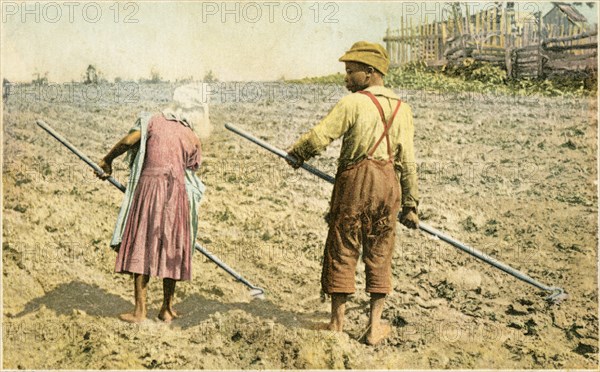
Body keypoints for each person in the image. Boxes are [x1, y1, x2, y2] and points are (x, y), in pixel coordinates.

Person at [286, 41, 419, 345]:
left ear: (370, 72)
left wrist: (298, 153)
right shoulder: (403, 109)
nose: (345, 78)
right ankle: (374, 326)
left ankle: (337, 324)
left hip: (355, 183)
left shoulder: (353, 104)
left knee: (343, 246)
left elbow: (321, 136)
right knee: (380, 250)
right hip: (388, 186)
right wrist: (410, 204)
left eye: (350, 72)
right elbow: (408, 161)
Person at [96, 84, 208, 323]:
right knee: (172, 245)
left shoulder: (153, 121)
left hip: (149, 189)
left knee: (142, 242)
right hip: (176, 195)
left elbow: (128, 141)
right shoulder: (192, 136)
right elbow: (191, 169)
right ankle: (166, 309)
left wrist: (107, 160)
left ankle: (140, 311)